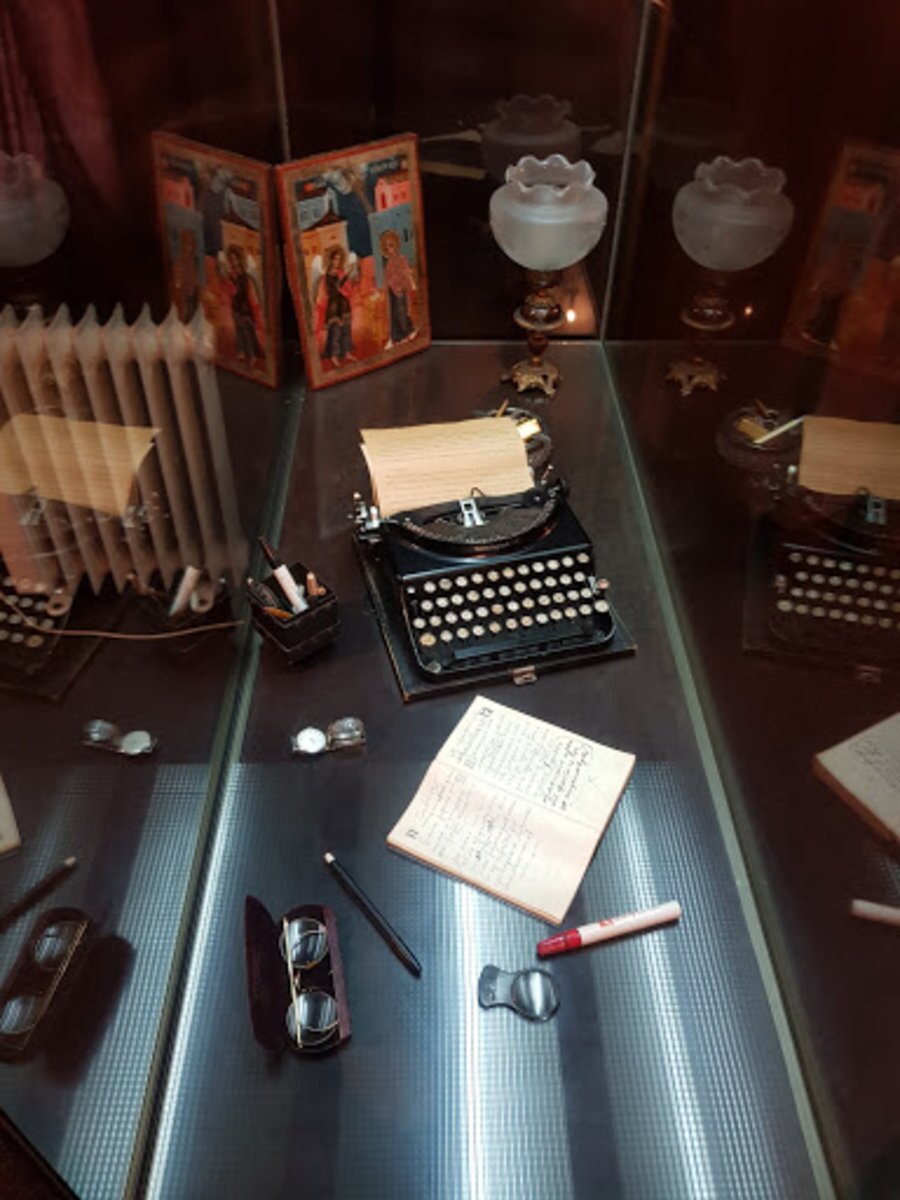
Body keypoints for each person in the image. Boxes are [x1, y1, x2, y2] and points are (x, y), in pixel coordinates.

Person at [222, 244, 263, 364]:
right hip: (236, 307)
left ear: (239, 259)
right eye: (231, 259)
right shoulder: (231, 275)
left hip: (245, 308)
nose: (233, 262)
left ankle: (251, 354)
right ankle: (242, 352)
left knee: (246, 328)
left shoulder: (245, 276)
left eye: (235, 259)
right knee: (239, 328)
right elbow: (230, 291)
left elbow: (248, 293)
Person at [316, 244, 356, 364]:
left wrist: (347, 280)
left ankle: (347, 352)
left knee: (346, 330)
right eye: (335, 259)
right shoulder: (327, 277)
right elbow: (333, 290)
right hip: (334, 307)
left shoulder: (341, 273)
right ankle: (334, 355)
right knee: (335, 331)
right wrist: (345, 277)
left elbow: (347, 289)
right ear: (330, 260)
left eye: (339, 259)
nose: (337, 262)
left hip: (344, 305)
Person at [380, 230, 417, 348]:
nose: (390, 250)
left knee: (402, 313)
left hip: (400, 291)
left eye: (391, 246)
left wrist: (406, 285)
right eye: (387, 248)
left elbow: (405, 274)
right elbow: (387, 278)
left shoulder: (402, 259)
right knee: (394, 314)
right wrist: (387, 289)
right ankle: (397, 337)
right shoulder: (389, 262)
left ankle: (407, 332)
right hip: (392, 292)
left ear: (396, 245)